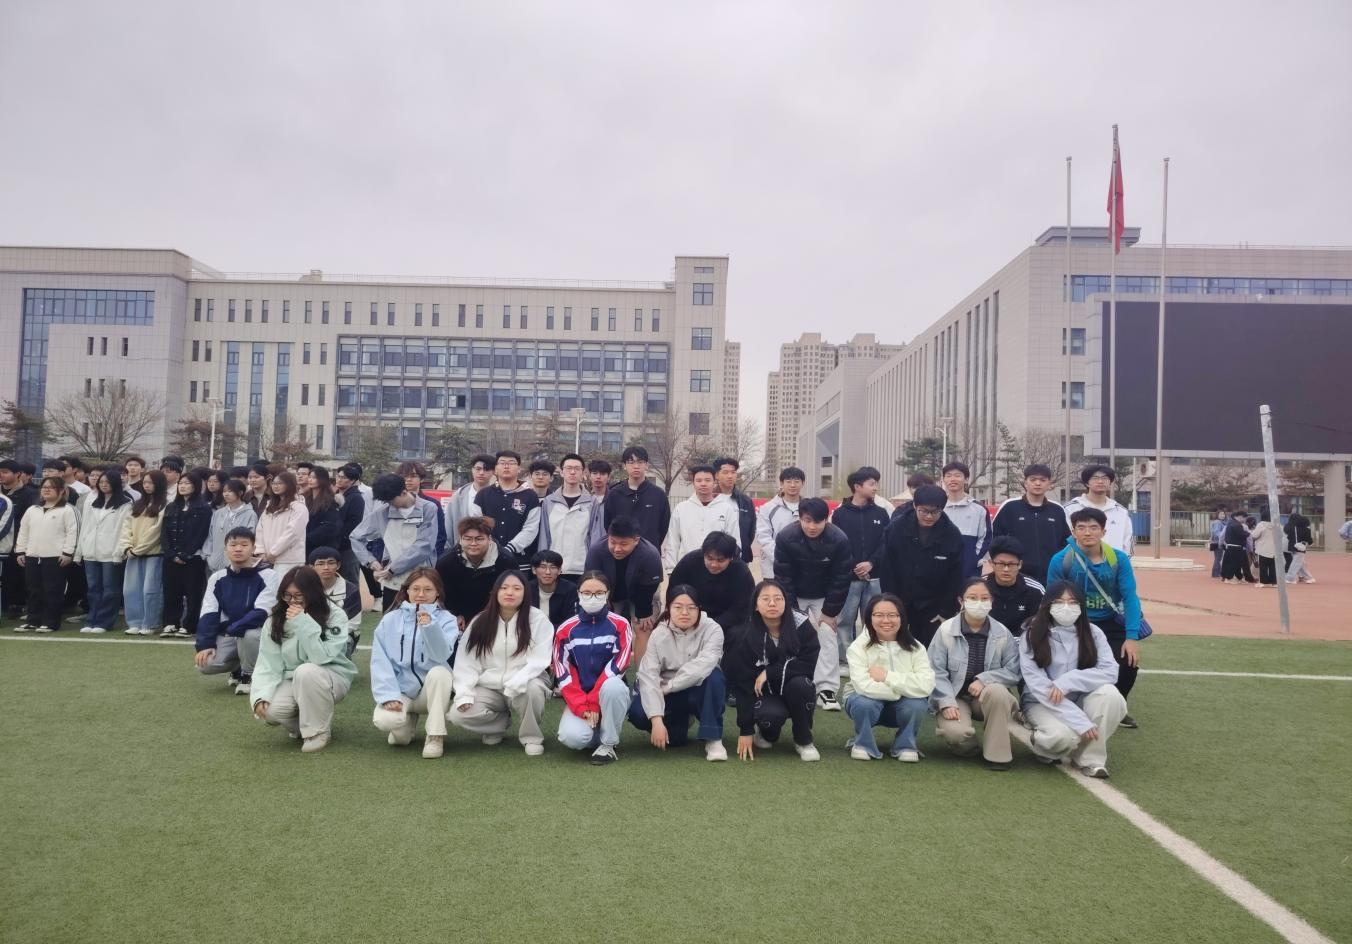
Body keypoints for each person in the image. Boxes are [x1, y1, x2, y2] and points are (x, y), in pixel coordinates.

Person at [1048, 507, 1144, 728]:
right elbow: (1051, 597)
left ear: (1103, 531)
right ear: (1073, 532)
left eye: (1093, 527)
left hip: (1110, 621)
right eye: (1081, 528)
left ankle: (1118, 705)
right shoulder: (1061, 560)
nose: (1088, 532)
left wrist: (1131, 637)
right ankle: (1068, 705)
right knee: (1072, 664)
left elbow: (1130, 597)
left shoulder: (1118, 559)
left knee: (1127, 662)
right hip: (1073, 621)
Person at [1019, 582, 1127, 779]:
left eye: (1073, 602)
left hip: (1080, 697)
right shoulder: (1031, 634)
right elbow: (1038, 685)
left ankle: (1090, 759)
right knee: (1062, 738)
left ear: (1081, 606)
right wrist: (1080, 721)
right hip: (1042, 701)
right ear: (1047, 605)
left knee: (1111, 695)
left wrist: (1069, 681)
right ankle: (1043, 744)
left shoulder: (1094, 632)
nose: (1066, 608)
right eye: (1059, 602)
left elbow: (1110, 671)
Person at [250, 566, 359, 753]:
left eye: (298, 595)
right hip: (291, 678)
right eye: (287, 595)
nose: (292, 601)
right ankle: (302, 726)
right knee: (271, 711)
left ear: (313, 592)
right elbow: (267, 662)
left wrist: (302, 622)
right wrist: (260, 695)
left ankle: (318, 732)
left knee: (306, 671)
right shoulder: (275, 619)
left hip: (331, 675)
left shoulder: (335, 615)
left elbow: (321, 657)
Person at [450, 570, 555, 755]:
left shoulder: (537, 619)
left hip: (525, 682)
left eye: (517, 588)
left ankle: (531, 737)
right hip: (490, 687)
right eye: (504, 588)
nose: (510, 593)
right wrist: (464, 693)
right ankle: (498, 724)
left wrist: (517, 682)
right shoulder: (480, 621)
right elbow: (466, 662)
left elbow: (540, 659)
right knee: (457, 715)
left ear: (525, 593)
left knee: (532, 690)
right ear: (496, 592)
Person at [928, 577, 1022, 771]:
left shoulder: (1002, 632)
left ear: (992, 601)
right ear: (961, 601)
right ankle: (971, 747)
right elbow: (935, 671)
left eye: (984, 598)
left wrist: (985, 679)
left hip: (986, 697)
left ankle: (998, 755)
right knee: (956, 734)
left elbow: (1013, 670)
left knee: (998, 692)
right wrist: (946, 701)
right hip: (955, 695)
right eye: (972, 598)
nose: (979, 603)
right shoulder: (945, 631)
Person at [722, 579, 821, 761]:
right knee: (770, 721)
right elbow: (743, 684)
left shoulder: (802, 625)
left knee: (802, 685)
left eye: (778, 598)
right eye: (765, 599)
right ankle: (764, 730)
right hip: (764, 693)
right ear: (756, 605)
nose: (772, 603)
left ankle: (804, 740)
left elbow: (807, 664)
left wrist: (770, 672)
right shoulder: (744, 634)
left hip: (793, 687)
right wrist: (746, 730)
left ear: (786, 602)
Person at [627, 585, 728, 761]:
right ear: (668, 608)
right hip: (668, 693)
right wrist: (656, 720)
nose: (684, 613)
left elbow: (703, 666)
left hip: (694, 689)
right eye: (678, 607)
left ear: (699, 609)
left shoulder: (712, 629)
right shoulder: (659, 634)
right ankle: (678, 723)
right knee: (639, 714)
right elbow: (648, 675)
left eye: (691, 608)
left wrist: (670, 687)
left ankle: (713, 739)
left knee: (714, 676)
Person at [773, 497, 853, 711]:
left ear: (826, 519)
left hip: (824, 595)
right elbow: (783, 576)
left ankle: (826, 690)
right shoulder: (785, 537)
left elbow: (841, 578)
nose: (812, 526)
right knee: (789, 633)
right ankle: (786, 681)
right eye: (807, 520)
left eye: (818, 521)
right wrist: (793, 611)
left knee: (827, 633)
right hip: (793, 594)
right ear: (799, 518)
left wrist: (830, 612)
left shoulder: (839, 539)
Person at [369, 568, 460, 758]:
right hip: (401, 691)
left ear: (437, 593)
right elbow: (379, 661)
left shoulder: (447, 620)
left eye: (428, 589)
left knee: (440, 673)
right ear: (407, 590)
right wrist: (389, 696)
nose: (421, 594)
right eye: (416, 589)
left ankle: (435, 735)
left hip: (430, 691)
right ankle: (407, 720)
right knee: (391, 730)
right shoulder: (389, 620)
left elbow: (441, 655)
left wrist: (430, 627)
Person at [843, 593, 935, 761]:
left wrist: (887, 676)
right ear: (869, 618)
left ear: (901, 618)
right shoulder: (858, 648)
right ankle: (862, 744)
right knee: (863, 703)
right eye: (879, 615)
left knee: (916, 704)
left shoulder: (916, 648)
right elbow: (863, 686)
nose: (886, 620)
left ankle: (905, 745)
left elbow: (927, 685)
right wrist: (902, 689)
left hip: (902, 706)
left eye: (892, 615)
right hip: (868, 703)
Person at [553, 571, 633, 765]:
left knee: (613, 686)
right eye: (587, 593)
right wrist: (582, 706)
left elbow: (618, 666)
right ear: (579, 594)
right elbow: (564, 673)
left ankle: (608, 744)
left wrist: (594, 703)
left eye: (599, 593)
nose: (593, 598)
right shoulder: (565, 629)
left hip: (609, 694)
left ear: (607, 594)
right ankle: (597, 733)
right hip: (580, 697)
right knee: (571, 738)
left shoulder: (621, 625)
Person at [879, 484, 965, 647]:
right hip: (899, 600)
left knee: (928, 649)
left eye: (935, 512)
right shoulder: (896, 528)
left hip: (933, 605)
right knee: (895, 646)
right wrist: (890, 602)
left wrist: (946, 611)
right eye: (923, 511)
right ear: (914, 506)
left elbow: (955, 576)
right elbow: (887, 568)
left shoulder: (952, 535)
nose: (929, 516)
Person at [196, 527, 278, 694]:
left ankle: (249, 675)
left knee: (249, 634)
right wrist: (205, 644)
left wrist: (234, 628)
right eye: (233, 545)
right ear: (226, 549)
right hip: (233, 633)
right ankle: (238, 667)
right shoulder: (217, 577)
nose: (238, 549)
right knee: (205, 664)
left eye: (244, 544)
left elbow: (262, 612)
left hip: (259, 633)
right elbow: (209, 612)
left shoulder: (269, 575)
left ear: (253, 548)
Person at [351, 473, 440, 609]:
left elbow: (424, 545)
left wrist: (393, 568)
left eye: (391, 500)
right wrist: (371, 561)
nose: (389, 505)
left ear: (403, 492)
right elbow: (355, 537)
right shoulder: (382, 513)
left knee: (422, 619)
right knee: (390, 620)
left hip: (422, 579)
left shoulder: (428, 508)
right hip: (392, 583)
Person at [583, 516, 664, 664]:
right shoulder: (596, 551)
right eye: (613, 542)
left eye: (623, 544)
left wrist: (644, 612)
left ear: (636, 540)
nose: (617, 548)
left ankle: (643, 673)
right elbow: (592, 583)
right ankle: (606, 670)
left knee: (643, 628)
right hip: (608, 593)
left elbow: (650, 587)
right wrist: (603, 608)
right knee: (605, 627)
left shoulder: (650, 554)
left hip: (642, 593)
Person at [832, 466, 891, 663]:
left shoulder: (881, 513)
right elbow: (838, 544)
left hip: (874, 577)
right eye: (872, 484)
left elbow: (885, 543)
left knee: (874, 619)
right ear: (857, 486)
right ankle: (846, 659)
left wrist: (871, 563)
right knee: (845, 620)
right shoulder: (840, 514)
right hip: (849, 578)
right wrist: (855, 567)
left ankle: (871, 657)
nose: (876, 487)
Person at [14, 476, 78, 632]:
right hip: (32, 556)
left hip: (55, 557)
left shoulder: (67, 510)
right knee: (33, 590)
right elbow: (23, 531)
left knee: (52, 590)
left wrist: (68, 553)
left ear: (61, 491)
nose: (46, 490)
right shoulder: (32, 510)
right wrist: (20, 551)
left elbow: (73, 532)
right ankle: (33, 620)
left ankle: (50, 622)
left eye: (51, 487)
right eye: (44, 487)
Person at [991, 464, 1071, 584]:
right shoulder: (1010, 507)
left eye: (1042, 480)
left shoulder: (1058, 510)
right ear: (1025, 483)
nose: (1038, 483)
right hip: (1017, 575)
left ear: (1049, 484)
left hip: (1051, 574)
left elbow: (1067, 543)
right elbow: (995, 539)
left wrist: (1059, 565)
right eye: (1033, 479)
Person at [74, 468, 132, 634]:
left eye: (107, 482)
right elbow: (85, 527)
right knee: (93, 589)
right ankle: (91, 620)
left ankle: (104, 622)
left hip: (111, 553)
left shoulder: (125, 504)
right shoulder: (92, 502)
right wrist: (79, 552)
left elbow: (123, 530)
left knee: (110, 589)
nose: (104, 485)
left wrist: (118, 553)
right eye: (101, 482)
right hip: (90, 551)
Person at [436, 516, 517, 626]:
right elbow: (443, 596)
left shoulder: (506, 561)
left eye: (479, 539)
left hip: (497, 617)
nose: (473, 543)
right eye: (468, 539)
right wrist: (454, 616)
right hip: (459, 619)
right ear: (460, 539)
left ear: (489, 539)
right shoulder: (446, 562)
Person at [161, 471, 213, 639]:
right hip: (171, 557)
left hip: (193, 558)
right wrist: (171, 553)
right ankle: (171, 622)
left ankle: (189, 625)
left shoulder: (203, 508)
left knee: (193, 592)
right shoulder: (171, 506)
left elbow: (201, 534)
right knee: (171, 591)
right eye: (181, 483)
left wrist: (185, 554)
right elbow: (164, 533)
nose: (182, 486)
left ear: (196, 486)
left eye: (187, 483)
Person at [669, 532, 755, 633]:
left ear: (731, 558)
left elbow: (742, 608)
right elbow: (673, 592)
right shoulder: (689, 562)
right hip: (692, 616)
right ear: (703, 553)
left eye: (720, 560)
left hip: (727, 622)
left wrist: (712, 626)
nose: (714, 564)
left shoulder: (741, 572)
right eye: (709, 558)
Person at [662, 463, 739, 573]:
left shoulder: (726, 509)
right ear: (693, 483)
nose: (703, 484)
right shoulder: (681, 508)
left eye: (707, 480)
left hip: (717, 568)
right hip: (687, 568)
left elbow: (734, 540)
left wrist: (731, 568)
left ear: (714, 482)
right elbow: (673, 542)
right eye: (698, 480)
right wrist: (671, 569)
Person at [118, 471, 167, 636]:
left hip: (153, 554)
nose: (146, 485)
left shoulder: (164, 505)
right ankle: (135, 622)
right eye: (145, 482)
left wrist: (137, 550)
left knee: (150, 590)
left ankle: (151, 623)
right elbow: (126, 527)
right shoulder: (136, 505)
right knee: (131, 590)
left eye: (150, 483)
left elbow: (156, 531)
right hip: (132, 554)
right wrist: (127, 547)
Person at [472, 451, 540, 566]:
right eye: (502, 463)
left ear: (519, 469)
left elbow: (531, 528)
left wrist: (510, 548)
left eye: (511, 463)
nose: (506, 466)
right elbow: (476, 524)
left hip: (519, 560)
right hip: (487, 558)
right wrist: (491, 547)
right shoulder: (483, 495)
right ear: (495, 469)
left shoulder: (530, 496)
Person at [537, 452, 596, 580]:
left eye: (577, 469)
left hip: (582, 569)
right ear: (562, 472)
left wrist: (593, 566)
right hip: (554, 568)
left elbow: (595, 536)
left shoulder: (592, 502)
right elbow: (544, 536)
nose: (573, 472)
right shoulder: (549, 501)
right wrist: (543, 565)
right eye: (569, 468)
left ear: (583, 473)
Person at [602, 446, 670, 549]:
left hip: (649, 553)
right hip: (621, 552)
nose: (636, 466)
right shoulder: (614, 494)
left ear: (647, 465)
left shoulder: (658, 495)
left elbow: (663, 527)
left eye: (640, 462)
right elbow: (608, 525)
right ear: (624, 466)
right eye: (631, 462)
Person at [1064, 464, 1134, 556]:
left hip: (1113, 563)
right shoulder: (1070, 509)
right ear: (1087, 483)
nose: (1100, 481)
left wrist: (1122, 562)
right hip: (1079, 563)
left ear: (1110, 482)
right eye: (1095, 478)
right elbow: (1065, 540)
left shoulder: (1121, 511)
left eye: (1104, 478)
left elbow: (1128, 541)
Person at [938, 461, 991, 578]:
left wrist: (973, 559)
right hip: (939, 569)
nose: (952, 479)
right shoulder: (938, 508)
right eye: (948, 476)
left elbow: (986, 538)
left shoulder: (979, 509)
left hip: (969, 571)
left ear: (966, 479)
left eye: (957, 475)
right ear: (943, 480)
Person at [984, 536, 1045, 635]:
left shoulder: (1035, 590)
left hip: (1024, 642)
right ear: (991, 563)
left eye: (1011, 564)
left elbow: (1041, 624)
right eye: (1001, 564)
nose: (1006, 569)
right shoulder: (980, 587)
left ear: (1020, 564)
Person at [1, 459, 39, 618]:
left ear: (18, 474)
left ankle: (16, 605)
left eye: (5, 472)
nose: (1, 475)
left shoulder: (30, 494)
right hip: (2, 543)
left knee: (15, 576)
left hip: (18, 542)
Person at [308, 546, 363, 655]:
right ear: (311, 567)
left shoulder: (350, 590)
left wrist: (326, 636)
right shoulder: (304, 588)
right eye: (320, 564)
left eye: (331, 563)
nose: (326, 567)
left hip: (339, 634)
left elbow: (353, 623)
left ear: (338, 565)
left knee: (346, 641)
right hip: (310, 633)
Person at [254, 471, 309, 570]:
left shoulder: (299, 507)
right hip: (265, 560)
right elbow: (260, 530)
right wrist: (260, 551)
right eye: (274, 483)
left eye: (280, 483)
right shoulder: (269, 507)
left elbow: (292, 533)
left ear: (289, 485)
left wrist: (273, 553)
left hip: (289, 561)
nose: (275, 486)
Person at [755, 466, 804, 570]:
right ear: (781, 483)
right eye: (788, 481)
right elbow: (764, 537)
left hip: (803, 567)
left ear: (803, 483)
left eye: (796, 481)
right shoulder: (767, 508)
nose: (792, 485)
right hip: (773, 568)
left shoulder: (808, 507)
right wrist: (782, 558)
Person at [206, 479, 258, 573]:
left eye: (230, 491)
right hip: (214, 564)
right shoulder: (218, 513)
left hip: (237, 565)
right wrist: (208, 556)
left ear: (240, 493)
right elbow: (210, 536)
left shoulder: (250, 514)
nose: (226, 494)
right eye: (224, 491)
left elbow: (250, 539)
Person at [398, 460, 448, 558]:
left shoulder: (433, 504)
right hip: (396, 558)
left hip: (424, 560)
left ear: (421, 479)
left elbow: (440, 536)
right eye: (405, 476)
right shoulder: (392, 504)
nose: (408, 479)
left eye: (413, 476)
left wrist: (432, 560)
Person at [713, 457, 756, 564]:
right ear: (716, 475)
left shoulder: (745, 501)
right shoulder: (710, 498)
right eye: (725, 472)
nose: (730, 476)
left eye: (733, 472)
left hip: (739, 558)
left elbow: (750, 532)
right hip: (713, 557)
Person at [444, 453, 494, 544]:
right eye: (478, 469)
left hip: (490, 548)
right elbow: (448, 525)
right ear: (472, 470)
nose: (481, 473)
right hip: (462, 547)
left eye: (486, 469)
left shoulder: (497, 496)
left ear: (493, 472)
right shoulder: (459, 495)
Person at [526, 550, 579, 629]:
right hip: (532, 632)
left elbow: (572, 620)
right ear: (534, 570)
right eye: (543, 567)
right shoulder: (526, 589)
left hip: (560, 633)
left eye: (553, 567)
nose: (548, 572)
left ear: (559, 570)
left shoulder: (571, 590)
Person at [303, 466, 342, 558]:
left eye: (314, 477)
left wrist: (307, 538)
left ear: (322, 479)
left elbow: (329, 526)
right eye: (309, 477)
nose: (310, 480)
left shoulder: (330, 501)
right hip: (304, 546)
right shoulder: (304, 498)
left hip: (321, 546)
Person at [1220, 510, 1256, 585]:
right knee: (1233, 563)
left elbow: (1223, 536)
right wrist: (1248, 533)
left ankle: (1239, 577)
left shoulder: (1231, 523)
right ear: (1240, 517)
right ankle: (1228, 578)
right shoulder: (1236, 525)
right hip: (1235, 547)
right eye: (1244, 518)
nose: (1244, 520)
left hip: (1234, 547)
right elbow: (1242, 534)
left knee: (1238, 563)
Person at [584, 458, 612, 549]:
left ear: (609, 477)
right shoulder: (583, 501)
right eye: (595, 473)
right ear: (589, 475)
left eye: (602, 474)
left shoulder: (614, 499)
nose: (598, 477)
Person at [1250, 511, 1282, 588]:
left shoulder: (1261, 524)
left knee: (1263, 566)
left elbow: (1254, 535)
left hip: (1263, 548)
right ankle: (1274, 582)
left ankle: (1263, 582)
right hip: (1274, 548)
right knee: (1273, 566)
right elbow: (1281, 535)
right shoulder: (1277, 524)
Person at [1284, 510, 1315, 584]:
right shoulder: (1307, 530)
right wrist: (1310, 543)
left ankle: (1291, 578)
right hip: (1300, 548)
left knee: (1298, 564)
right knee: (1298, 564)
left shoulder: (1293, 528)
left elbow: (1288, 537)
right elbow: (1309, 539)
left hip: (1292, 547)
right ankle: (1293, 578)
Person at [1208, 507, 1229, 580]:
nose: (1222, 515)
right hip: (1217, 542)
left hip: (1220, 542)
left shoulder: (1223, 522)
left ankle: (1217, 573)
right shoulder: (1217, 522)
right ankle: (1216, 573)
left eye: (1223, 514)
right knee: (1218, 558)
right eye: (1220, 514)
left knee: (1219, 558)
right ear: (1217, 515)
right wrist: (1223, 538)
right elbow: (1216, 532)